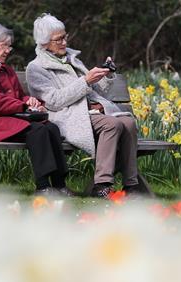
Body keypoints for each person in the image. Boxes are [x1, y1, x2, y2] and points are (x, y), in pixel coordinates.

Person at [26, 14, 142, 197]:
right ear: (44, 43)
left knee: (128, 122)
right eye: (59, 39)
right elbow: (54, 101)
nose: (64, 42)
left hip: (91, 111)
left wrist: (106, 74)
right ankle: (102, 184)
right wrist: (85, 82)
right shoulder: (36, 68)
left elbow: (97, 90)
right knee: (112, 125)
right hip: (68, 116)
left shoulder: (71, 59)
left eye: (65, 36)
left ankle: (131, 184)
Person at [0, 23, 74, 196]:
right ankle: (43, 187)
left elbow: (18, 96)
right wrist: (22, 105)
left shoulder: (6, 69)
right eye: (4, 46)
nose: (8, 50)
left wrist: (28, 100)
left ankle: (59, 185)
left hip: (11, 118)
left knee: (51, 128)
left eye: (9, 46)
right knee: (37, 131)